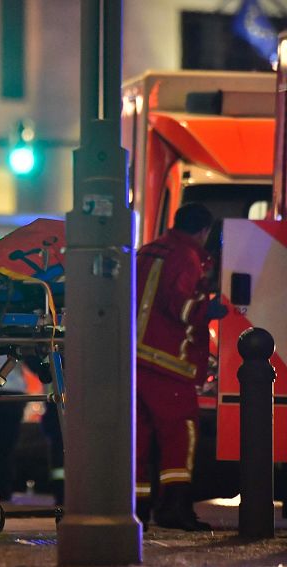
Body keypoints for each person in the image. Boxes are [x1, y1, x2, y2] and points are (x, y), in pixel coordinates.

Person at [135, 202, 228, 532]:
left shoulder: (148, 250)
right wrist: (211, 308)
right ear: (203, 232)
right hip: (167, 361)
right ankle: (174, 507)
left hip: (136, 360)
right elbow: (181, 304)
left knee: (139, 438)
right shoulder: (187, 256)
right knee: (180, 433)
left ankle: (138, 510)